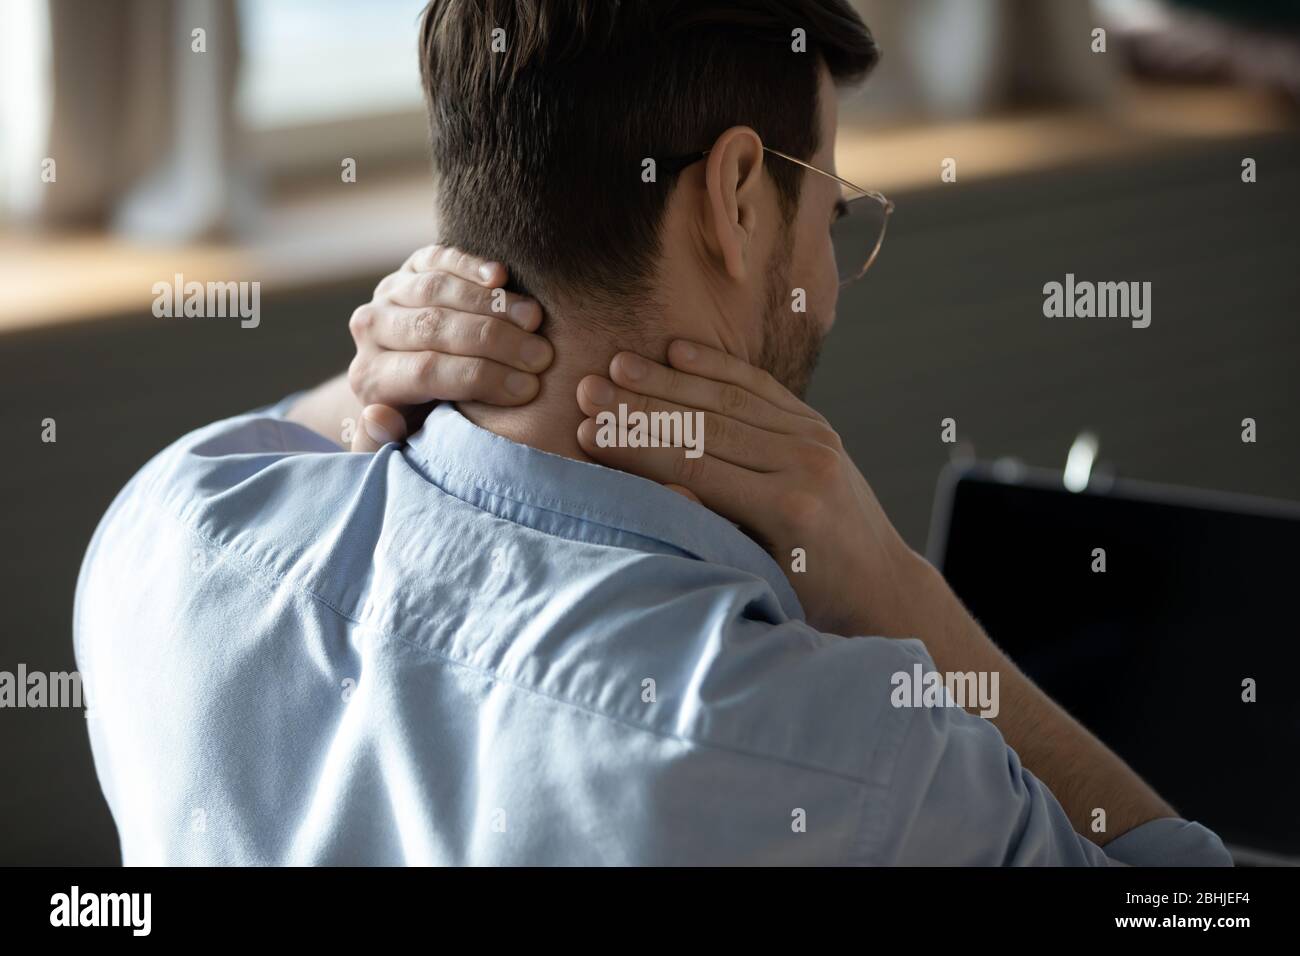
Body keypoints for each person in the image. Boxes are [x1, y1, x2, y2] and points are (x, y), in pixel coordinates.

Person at [76, 0, 1230, 865]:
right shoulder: (849, 756)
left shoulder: (170, 541)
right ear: (734, 197)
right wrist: (899, 590)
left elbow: (272, 453)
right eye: (829, 209)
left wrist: (364, 382)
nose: (831, 276)